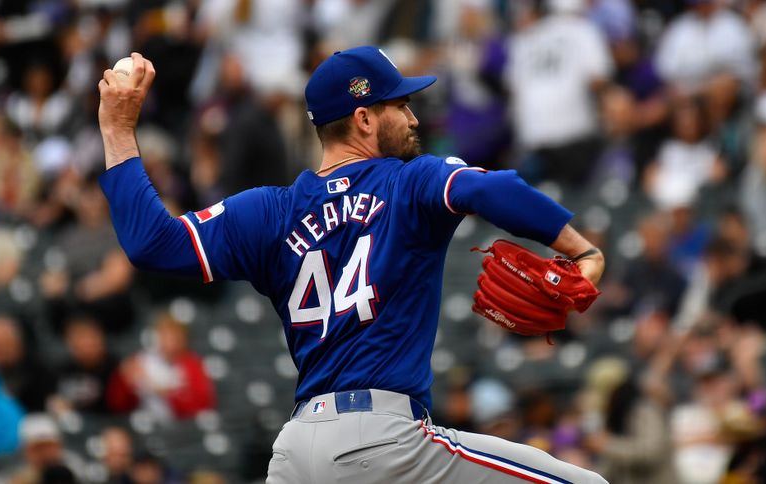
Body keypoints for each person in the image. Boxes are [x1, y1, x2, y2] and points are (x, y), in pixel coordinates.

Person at [97, 48, 607, 483]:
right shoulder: (409, 182)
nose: (412, 118)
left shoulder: (269, 211)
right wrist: (581, 251)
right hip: (386, 443)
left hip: (296, 453)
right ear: (364, 118)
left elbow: (152, 244)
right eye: (400, 104)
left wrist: (118, 130)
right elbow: (488, 187)